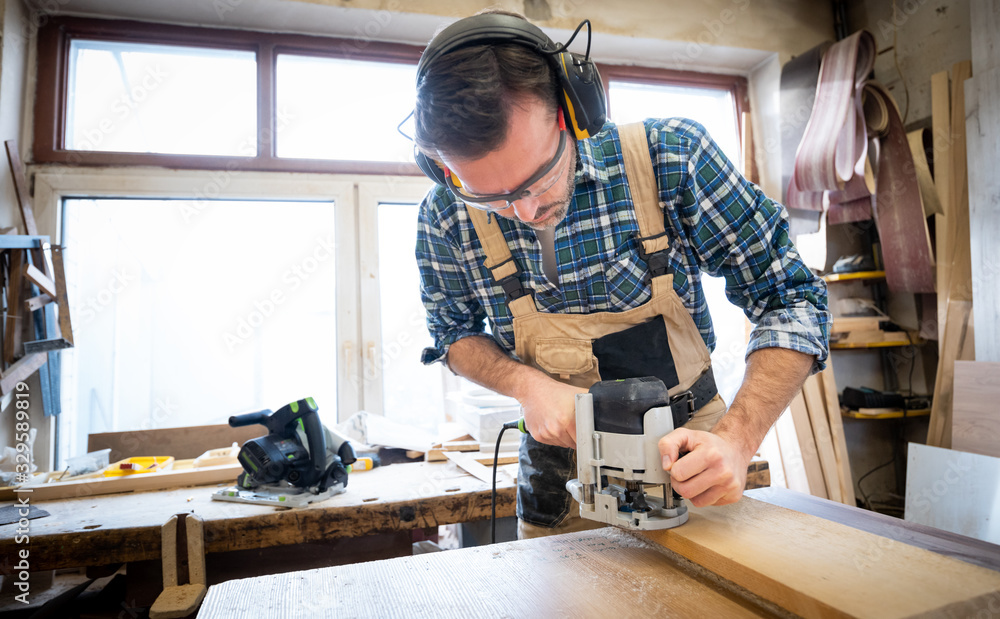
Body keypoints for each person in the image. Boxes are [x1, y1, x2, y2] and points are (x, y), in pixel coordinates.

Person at [411, 10, 829, 539]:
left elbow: (791, 298)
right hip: (557, 476)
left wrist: (737, 440)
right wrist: (524, 384)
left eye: (538, 178)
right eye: (489, 196)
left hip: (686, 459)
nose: (524, 210)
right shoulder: (444, 213)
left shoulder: (669, 157)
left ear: (573, 110)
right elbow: (453, 334)